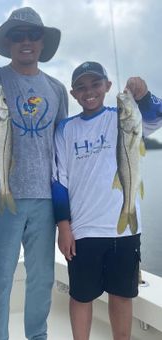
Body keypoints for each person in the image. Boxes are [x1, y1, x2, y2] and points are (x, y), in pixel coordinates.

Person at [0, 6, 68, 340]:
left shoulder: (56, 88)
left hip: (45, 199)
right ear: (8, 42)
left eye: (33, 35)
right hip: (1, 195)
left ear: (42, 42)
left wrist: (68, 211)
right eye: (18, 35)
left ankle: (37, 335)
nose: (26, 41)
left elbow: (63, 149)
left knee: (42, 279)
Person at [51, 61, 162, 340]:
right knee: (80, 296)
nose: (89, 92)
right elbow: (58, 181)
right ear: (74, 93)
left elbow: (156, 116)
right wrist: (63, 225)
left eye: (96, 84)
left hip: (124, 230)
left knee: (122, 295)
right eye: (82, 87)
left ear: (108, 87)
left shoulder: (122, 117)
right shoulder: (65, 129)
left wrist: (144, 95)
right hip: (84, 230)